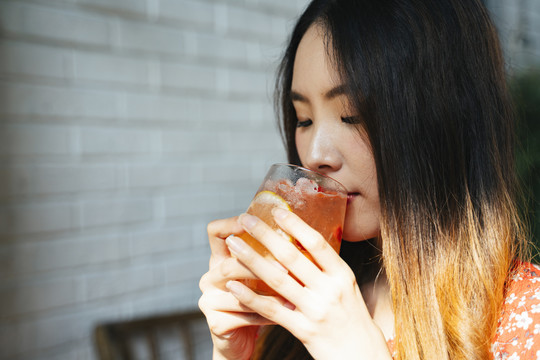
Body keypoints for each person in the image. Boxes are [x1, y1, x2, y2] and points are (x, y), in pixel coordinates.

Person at [198, 0, 539, 359]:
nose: (315, 154)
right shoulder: (296, 299)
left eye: (351, 115)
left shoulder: (523, 318)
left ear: (442, 118)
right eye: (303, 119)